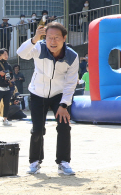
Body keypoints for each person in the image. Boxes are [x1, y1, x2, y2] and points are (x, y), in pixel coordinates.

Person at [17, 21, 79, 176]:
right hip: (38, 93)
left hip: (59, 94)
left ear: (64, 38)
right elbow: (21, 53)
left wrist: (64, 104)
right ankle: (34, 162)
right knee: (38, 129)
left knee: (64, 127)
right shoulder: (38, 47)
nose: (52, 41)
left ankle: (63, 162)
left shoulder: (72, 56)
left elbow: (71, 82)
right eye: (49, 37)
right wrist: (34, 38)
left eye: (57, 37)